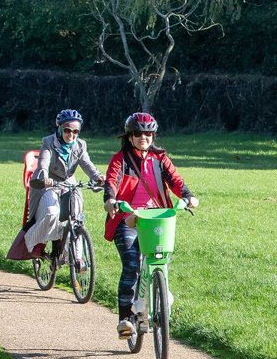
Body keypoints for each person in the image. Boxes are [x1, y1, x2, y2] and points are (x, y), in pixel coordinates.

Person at [102, 112, 198, 338]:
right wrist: (110, 201)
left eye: (148, 133)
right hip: (127, 217)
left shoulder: (160, 158)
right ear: (129, 136)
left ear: (153, 135)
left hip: (156, 217)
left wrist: (188, 196)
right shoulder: (120, 159)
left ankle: (156, 299)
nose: (143, 137)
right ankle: (125, 319)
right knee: (132, 265)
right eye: (137, 133)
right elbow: (112, 182)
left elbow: (176, 181)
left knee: (161, 261)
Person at [24, 109, 102, 255]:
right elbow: (43, 163)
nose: (71, 135)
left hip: (68, 184)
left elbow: (87, 164)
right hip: (47, 184)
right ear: (58, 127)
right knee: (51, 212)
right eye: (67, 130)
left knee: (76, 218)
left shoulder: (80, 145)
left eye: (76, 131)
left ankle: (76, 257)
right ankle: (34, 242)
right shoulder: (48, 142)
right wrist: (44, 177)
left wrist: (98, 177)